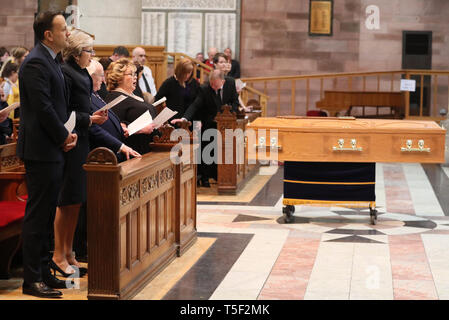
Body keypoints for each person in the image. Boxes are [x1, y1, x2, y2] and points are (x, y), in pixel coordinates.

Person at [18, 10, 78, 298]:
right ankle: (31, 279)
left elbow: (59, 104)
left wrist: (66, 134)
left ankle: (43, 272)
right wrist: (63, 135)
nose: (68, 33)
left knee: (45, 213)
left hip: (52, 148)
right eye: (63, 28)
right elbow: (43, 108)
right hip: (41, 150)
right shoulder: (35, 63)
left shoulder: (52, 60)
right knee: (38, 216)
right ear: (48, 34)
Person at [50, 29, 108, 279]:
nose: (92, 55)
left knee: (76, 201)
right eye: (89, 51)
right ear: (76, 53)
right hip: (71, 140)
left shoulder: (82, 72)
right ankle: (57, 255)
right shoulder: (66, 73)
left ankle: (70, 252)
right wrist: (90, 119)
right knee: (66, 201)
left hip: (82, 139)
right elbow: (64, 112)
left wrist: (93, 119)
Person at [172, 70, 239, 187]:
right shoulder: (205, 88)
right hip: (209, 122)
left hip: (226, 124)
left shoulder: (230, 83)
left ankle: (222, 176)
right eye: (211, 84)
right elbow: (195, 105)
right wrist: (184, 119)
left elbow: (235, 102)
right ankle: (205, 177)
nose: (213, 87)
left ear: (223, 81)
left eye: (216, 85)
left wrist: (229, 113)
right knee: (208, 149)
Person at [87, 59, 141, 161]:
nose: (103, 80)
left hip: (113, 152)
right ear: (90, 76)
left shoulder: (96, 95)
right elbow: (93, 128)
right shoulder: (87, 97)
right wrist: (120, 146)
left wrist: (121, 128)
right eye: (101, 75)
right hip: (102, 154)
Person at [105, 58, 157, 155]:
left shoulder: (134, 95)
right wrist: (140, 129)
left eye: (135, 74)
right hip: (134, 149)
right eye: (131, 74)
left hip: (148, 147)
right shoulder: (114, 98)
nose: (135, 77)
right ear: (119, 77)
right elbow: (115, 127)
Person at [154, 58, 199, 123]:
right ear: (179, 71)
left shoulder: (194, 83)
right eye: (184, 72)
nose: (187, 75)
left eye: (189, 72)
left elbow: (197, 103)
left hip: (191, 120)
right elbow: (157, 100)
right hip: (174, 121)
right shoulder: (169, 83)